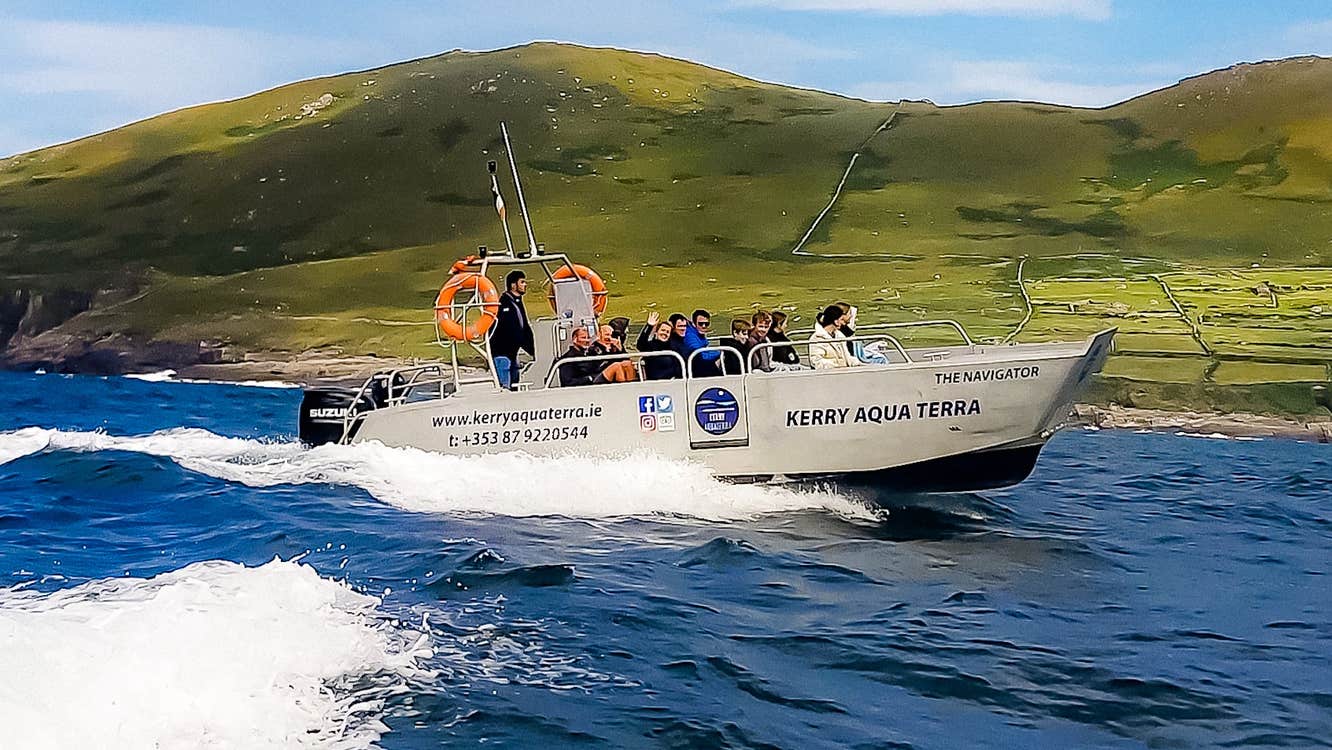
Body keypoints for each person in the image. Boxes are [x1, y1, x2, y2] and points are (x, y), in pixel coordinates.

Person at [488, 270, 534, 389]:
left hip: (513, 354)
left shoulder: (517, 303)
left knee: (515, 385)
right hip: (502, 353)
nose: (525, 285)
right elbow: (509, 329)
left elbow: (523, 327)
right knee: (505, 387)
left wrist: (532, 350)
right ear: (513, 285)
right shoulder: (503, 304)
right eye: (522, 282)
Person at [809, 304, 859, 369]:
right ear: (836, 321)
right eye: (841, 320)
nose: (843, 323)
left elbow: (847, 357)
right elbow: (816, 362)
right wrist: (835, 366)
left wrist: (856, 363)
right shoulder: (816, 339)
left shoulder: (840, 336)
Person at [636, 312, 683, 380]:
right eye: (663, 330)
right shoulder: (650, 345)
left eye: (667, 332)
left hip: (673, 382)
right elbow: (640, 344)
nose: (665, 333)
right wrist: (649, 326)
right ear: (656, 332)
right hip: (655, 384)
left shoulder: (673, 347)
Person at [674, 311, 720, 377]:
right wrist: (720, 353)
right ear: (694, 323)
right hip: (695, 369)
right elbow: (701, 356)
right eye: (701, 324)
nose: (704, 326)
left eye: (706, 324)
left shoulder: (699, 333)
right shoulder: (690, 336)